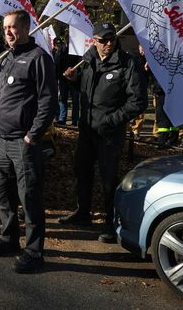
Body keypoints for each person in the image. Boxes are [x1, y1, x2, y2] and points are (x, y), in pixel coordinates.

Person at [0, 9, 57, 273]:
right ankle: (9, 239)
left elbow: (48, 102)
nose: (7, 32)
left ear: (26, 28)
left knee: (29, 198)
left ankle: (34, 252)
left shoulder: (39, 59)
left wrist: (33, 135)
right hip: (1, 141)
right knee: (3, 194)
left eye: (12, 27)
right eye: (5, 27)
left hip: (23, 143)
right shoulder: (7, 57)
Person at [61, 22, 147, 244]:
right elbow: (89, 89)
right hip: (87, 130)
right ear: (94, 41)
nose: (108, 44)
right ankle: (83, 213)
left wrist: (110, 121)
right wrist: (75, 80)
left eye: (111, 39)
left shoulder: (128, 63)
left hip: (109, 134)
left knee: (109, 179)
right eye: (103, 40)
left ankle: (111, 222)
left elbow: (137, 102)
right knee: (82, 170)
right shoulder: (89, 60)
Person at [52, 36, 70, 125]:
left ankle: (62, 118)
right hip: (54, 78)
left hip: (62, 79)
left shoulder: (64, 52)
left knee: (62, 98)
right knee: (55, 98)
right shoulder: (51, 53)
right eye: (56, 44)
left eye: (59, 44)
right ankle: (56, 116)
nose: (58, 46)